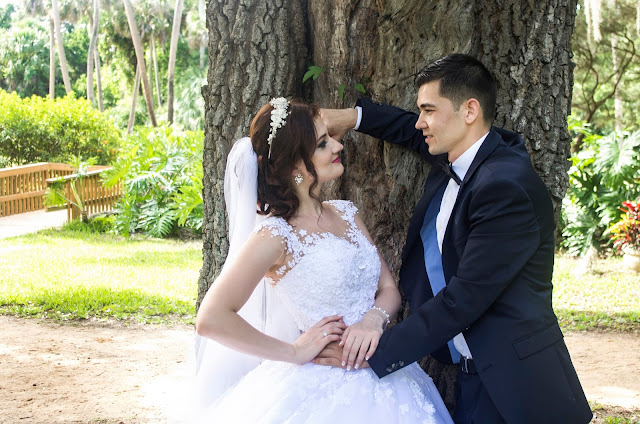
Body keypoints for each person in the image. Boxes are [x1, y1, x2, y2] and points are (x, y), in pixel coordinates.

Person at [315, 54, 593, 424]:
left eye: (429, 110)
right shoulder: (466, 157)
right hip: (472, 378)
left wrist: (374, 350)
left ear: (470, 111)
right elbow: (412, 132)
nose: (420, 123)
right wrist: (354, 117)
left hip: (520, 388)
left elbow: (464, 298)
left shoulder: (503, 187)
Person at [193, 98, 454, 423]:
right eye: (322, 143)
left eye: (329, 136)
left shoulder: (347, 212)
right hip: (320, 384)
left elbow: (388, 288)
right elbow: (211, 318)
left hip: (388, 373)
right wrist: (293, 351)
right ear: (293, 167)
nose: (337, 145)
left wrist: (372, 321)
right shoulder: (276, 236)